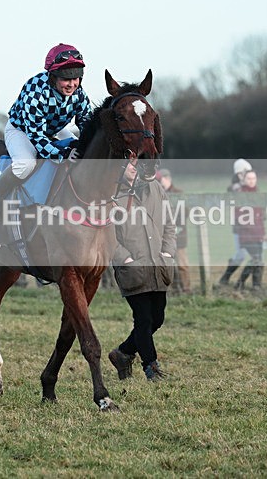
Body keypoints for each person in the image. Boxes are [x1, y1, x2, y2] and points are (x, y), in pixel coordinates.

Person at [0, 43, 92, 219]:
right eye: (66, 78)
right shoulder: (35, 92)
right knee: (25, 164)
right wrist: (62, 153)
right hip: (22, 130)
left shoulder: (80, 94)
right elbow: (37, 137)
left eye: (76, 78)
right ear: (53, 77)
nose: (72, 84)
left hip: (54, 128)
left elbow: (86, 124)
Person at [108, 161, 176, 382]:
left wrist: (167, 253)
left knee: (157, 318)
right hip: (132, 268)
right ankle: (151, 366)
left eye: (137, 164)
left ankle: (124, 352)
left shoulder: (155, 187)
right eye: (130, 164)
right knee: (144, 319)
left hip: (158, 265)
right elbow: (107, 235)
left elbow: (169, 224)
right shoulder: (112, 194)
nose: (134, 168)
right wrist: (125, 259)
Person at [218, 158, 253, 286]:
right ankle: (226, 279)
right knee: (241, 255)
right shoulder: (234, 188)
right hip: (240, 228)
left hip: (254, 227)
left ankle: (239, 282)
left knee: (257, 256)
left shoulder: (251, 186)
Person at [158, 169, 191, 294]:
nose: (159, 183)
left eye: (160, 180)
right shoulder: (157, 194)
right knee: (167, 264)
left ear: (167, 179)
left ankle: (186, 288)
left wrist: (173, 223)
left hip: (179, 234)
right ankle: (172, 288)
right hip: (163, 236)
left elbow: (185, 212)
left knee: (182, 263)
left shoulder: (179, 193)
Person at [234, 170, 267, 291]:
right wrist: (253, 229)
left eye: (254, 178)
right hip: (247, 234)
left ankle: (251, 285)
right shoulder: (240, 194)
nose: (251, 181)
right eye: (249, 178)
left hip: (258, 233)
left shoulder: (258, 194)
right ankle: (249, 284)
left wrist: (263, 233)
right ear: (244, 180)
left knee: (258, 260)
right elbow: (238, 215)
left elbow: (261, 217)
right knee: (257, 258)